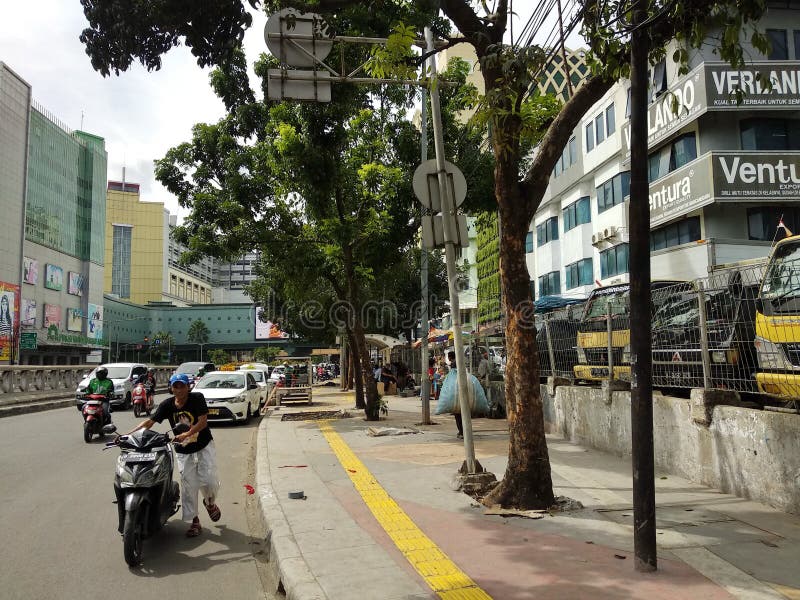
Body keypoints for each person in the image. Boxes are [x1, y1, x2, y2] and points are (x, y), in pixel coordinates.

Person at [122, 373, 221, 538]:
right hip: (183, 449)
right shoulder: (167, 405)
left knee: (209, 480)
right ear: (171, 388)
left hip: (203, 445)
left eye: (182, 385)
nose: (179, 389)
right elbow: (150, 422)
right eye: (176, 386)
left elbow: (203, 421)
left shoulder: (197, 398)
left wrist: (187, 433)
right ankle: (194, 521)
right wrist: (128, 434)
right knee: (188, 486)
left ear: (188, 387)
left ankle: (210, 503)